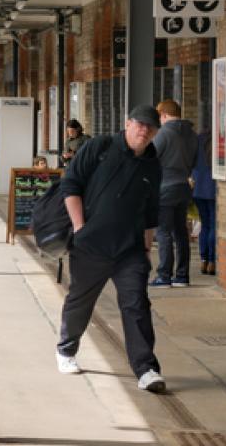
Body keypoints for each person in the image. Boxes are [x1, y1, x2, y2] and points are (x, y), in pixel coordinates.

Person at [55, 105, 166, 393]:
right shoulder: (100, 147)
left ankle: (146, 368)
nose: (144, 131)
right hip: (92, 244)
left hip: (130, 250)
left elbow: (152, 211)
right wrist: (80, 229)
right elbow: (71, 185)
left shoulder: (153, 164)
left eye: (150, 128)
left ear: (156, 133)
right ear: (127, 124)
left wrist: (146, 248)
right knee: (81, 299)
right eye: (139, 124)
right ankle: (66, 350)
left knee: (136, 304)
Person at [151, 98, 197, 287]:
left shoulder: (163, 134)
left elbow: (151, 158)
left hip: (165, 187)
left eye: (158, 117)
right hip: (183, 187)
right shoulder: (192, 134)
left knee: (163, 232)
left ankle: (164, 275)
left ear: (164, 115)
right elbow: (194, 161)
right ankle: (182, 276)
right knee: (181, 232)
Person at [192, 122, 216, 276]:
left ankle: (203, 260)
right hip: (214, 189)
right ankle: (213, 261)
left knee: (205, 225)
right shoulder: (219, 140)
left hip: (198, 188)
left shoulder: (198, 140)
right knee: (214, 225)